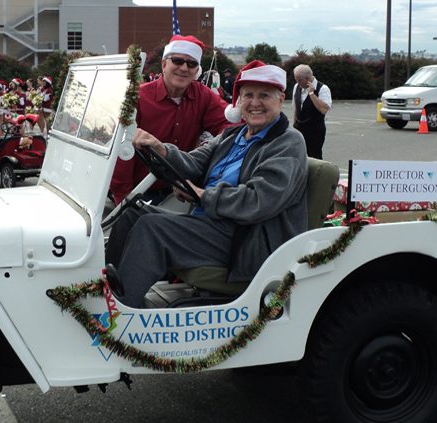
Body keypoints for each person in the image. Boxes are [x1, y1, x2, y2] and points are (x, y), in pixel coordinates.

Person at [105, 61, 309, 309]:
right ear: (239, 101)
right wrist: (161, 149)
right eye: (248, 95)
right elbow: (194, 163)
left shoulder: (288, 142)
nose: (255, 103)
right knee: (132, 214)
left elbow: (259, 200)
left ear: (280, 99)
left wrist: (203, 196)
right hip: (213, 225)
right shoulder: (234, 135)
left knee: (153, 228)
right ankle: (105, 293)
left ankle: (119, 313)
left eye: (264, 95)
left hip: (246, 240)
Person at [109, 34, 231, 205]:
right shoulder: (138, 97)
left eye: (191, 64)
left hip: (182, 191)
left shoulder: (203, 96)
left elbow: (232, 125)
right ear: (164, 64)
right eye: (178, 61)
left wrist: (208, 152)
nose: (184, 68)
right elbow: (121, 152)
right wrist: (124, 199)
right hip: (140, 192)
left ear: (197, 71)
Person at [292, 64, 332, 160]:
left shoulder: (323, 89)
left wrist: (311, 94)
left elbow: (323, 109)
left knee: (314, 157)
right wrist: (294, 124)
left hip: (315, 130)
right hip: (299, 129)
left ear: (308, 78)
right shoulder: (297, 87)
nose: (297, 82)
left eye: (299, 80)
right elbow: (296, 107)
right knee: (297, 156)